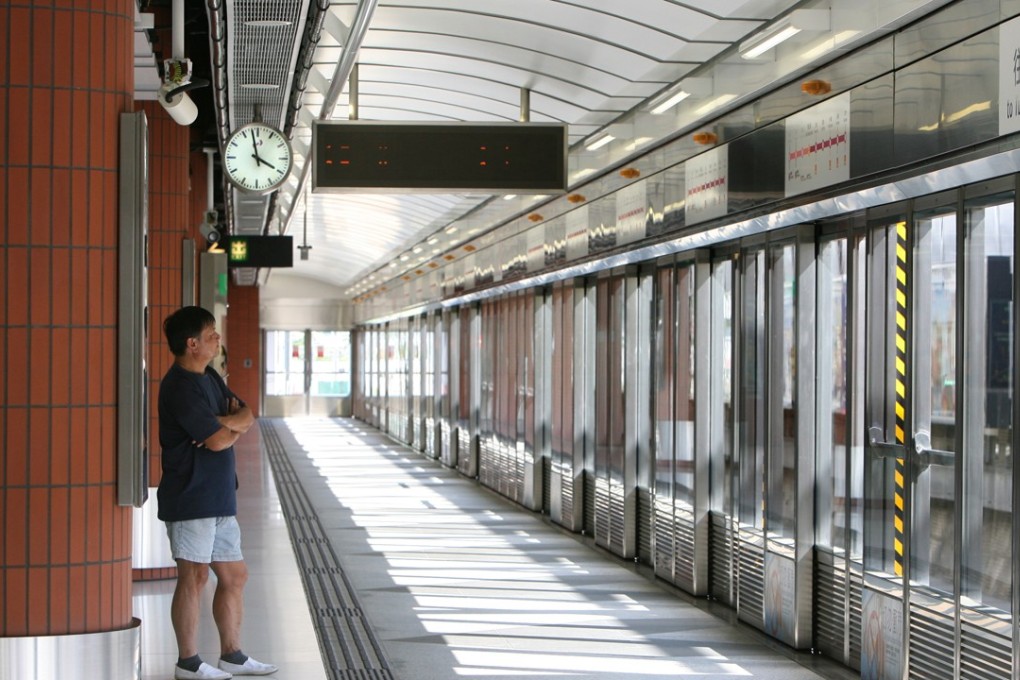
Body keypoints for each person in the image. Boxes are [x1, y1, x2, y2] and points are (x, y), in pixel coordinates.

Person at [157, 306, 278, 679]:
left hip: (220, 495)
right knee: (193, 577)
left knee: (234, 576)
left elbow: (247, 414)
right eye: (211, 333)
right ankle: (188, 662)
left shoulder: (209, 375)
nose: (217, 338)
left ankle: (233, 655)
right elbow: (216, 442)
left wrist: (226, 424)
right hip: (191, 495)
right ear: (192, 343)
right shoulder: (178, 386)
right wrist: (224, 428)